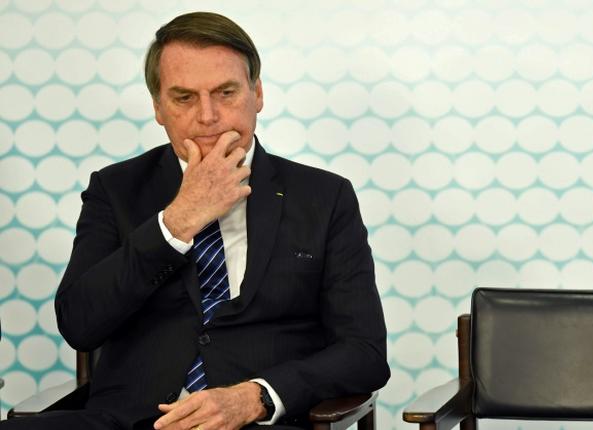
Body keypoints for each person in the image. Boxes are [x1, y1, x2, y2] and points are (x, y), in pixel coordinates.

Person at [2, 11, 389, 430]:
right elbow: (79, 324)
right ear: (158, 108)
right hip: (127, 421)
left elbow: (363, 352)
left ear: (257, 93)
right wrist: (176, 222)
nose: (207, 116)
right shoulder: (115, 189)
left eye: (226, 92)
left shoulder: (324, 197)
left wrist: (258, 396)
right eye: (184, 97)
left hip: (256, 423)